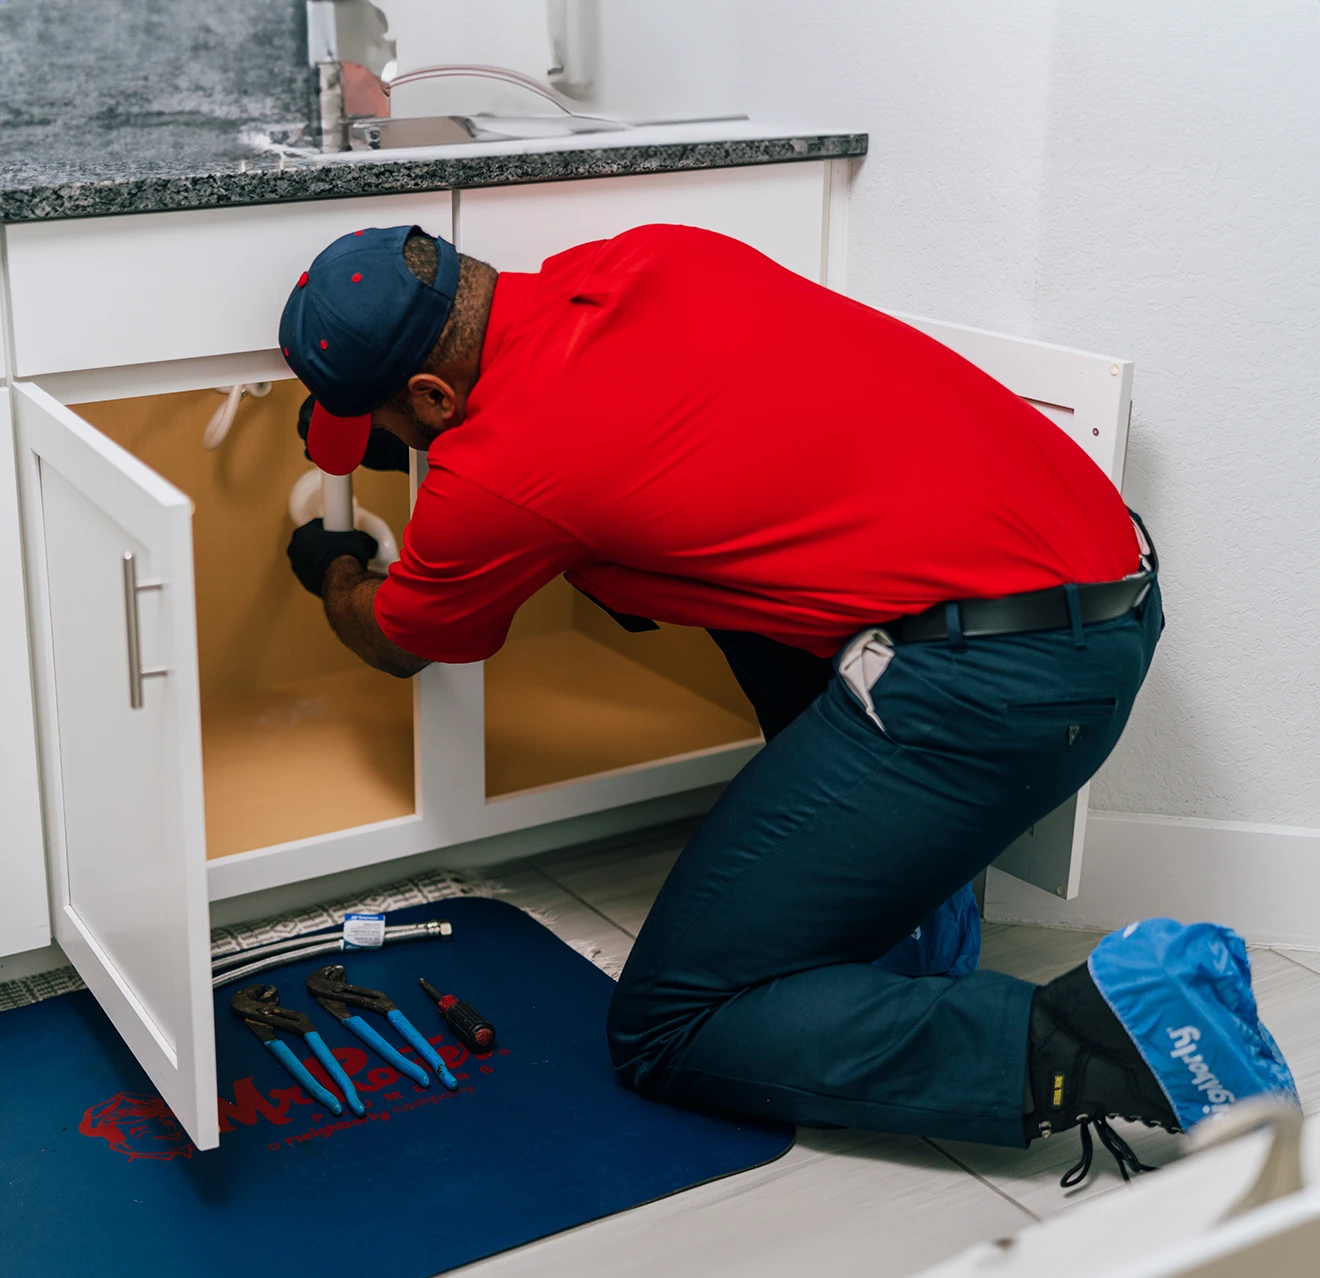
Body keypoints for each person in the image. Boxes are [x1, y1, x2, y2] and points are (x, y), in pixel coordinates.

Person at [277, 222, 1272, 1184]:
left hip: (993, 684)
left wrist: (337, 573)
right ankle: (908, 922)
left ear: (431, 394)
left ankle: (1102, 1041)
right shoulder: (654, 255)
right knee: (643, 571)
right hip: (1102, 593)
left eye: (392, 426)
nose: (391, 445)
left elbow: (399, 641)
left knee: (674, 1023)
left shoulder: (500, 475)